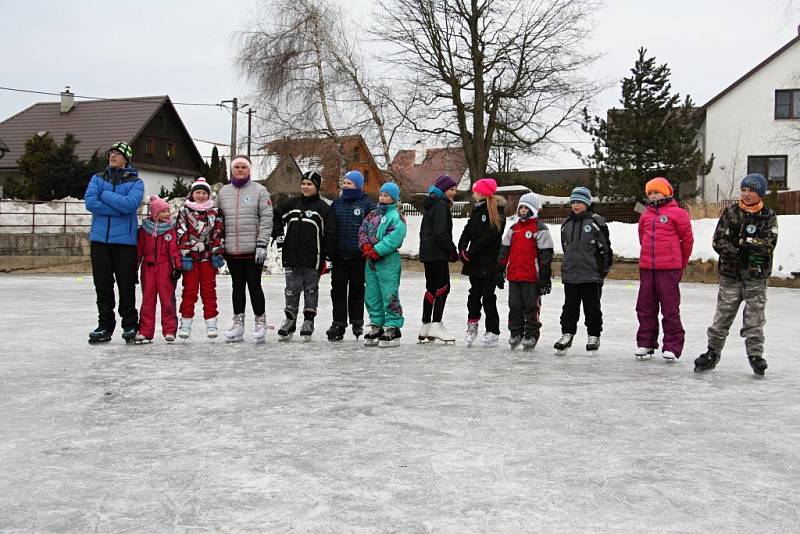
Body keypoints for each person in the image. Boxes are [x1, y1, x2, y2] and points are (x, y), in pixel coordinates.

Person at [695, 173, 778, 376]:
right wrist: (740, 250)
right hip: (730, 276)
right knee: (722, 318)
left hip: (755, 277)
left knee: (754, 320)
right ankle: (712, 352)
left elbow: (767, 245)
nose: (747, 194)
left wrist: (742, 243)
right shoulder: (730, 212)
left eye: (751, 191)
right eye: (744, 190)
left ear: (760, 193)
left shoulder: (768, 216)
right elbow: (718, 241)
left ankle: (755, 356)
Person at [84, 141, 145, 344]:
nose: (112, 156)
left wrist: (107, 195)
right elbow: (90, 202)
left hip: (125, 242)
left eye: (117, 154)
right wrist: (118, 207)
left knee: (126, 284)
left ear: (126, 158)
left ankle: (129, 325)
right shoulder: (97, 178)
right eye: (111, 153)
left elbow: (131, 205)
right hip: (100, 241)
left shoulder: (136, 181)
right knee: (102, 285)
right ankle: (105, 326)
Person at [272, 170, 335, 341]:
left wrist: (328, 257)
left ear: (317, 187)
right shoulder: (292, 204)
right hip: (291, 256)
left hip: (313, 259)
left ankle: (308, 321)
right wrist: (278, 236)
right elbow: (276, 216)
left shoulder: (323, 209)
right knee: (291, 290)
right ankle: (290, 320)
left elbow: (330, 234)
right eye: (303, 184)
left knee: (310, 290)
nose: (305, 187)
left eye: (309, 184)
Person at [635, 177, 694, 361]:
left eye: (656, 192)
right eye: (650, 193)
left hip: (669, 268)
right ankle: (646, 342)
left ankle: (672, 345)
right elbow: (642, 236)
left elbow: (687, 241)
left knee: (670, 308)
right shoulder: (645, 214)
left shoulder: (678, 213)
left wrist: (680, 263)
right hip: (647, 268)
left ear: (667, 192)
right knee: (645, 307)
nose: (652, 196)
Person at [217, 155, 273, 343]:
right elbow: (218, 221)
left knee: (254, 286)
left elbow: (266, 219)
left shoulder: (260, 191)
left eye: (243, 167)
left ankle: (260, 321)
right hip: (232, 250)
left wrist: (262, 243)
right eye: (237, 167)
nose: (240, 170)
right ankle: (238, 323)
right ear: (232, 170)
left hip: (253, 250)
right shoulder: (224, 192)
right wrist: (219, 244)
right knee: (237, 287)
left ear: (249, 170)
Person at [554, 186, 613, 354]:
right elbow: (566, 248)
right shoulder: (566, 224)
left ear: (587, 203)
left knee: (592, 307)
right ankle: (567, 334)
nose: (575, 205)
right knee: (569, 308)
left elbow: (605, 249)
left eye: (579, 202)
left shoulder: (596, 222)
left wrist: (602, 270)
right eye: (573, 202)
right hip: (571, 274)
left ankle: (593, 335)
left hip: (591, 275)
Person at [498, 192, 554, 350]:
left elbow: (546, 255)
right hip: (514, 276)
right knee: (514, 305)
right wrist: (499, 269)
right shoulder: (513, 229)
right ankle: (515, 332)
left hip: (532, 277)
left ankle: (531, 334)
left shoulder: (540, 229)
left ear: (533, 209)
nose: (522, 210)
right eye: (521, 207)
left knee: (531, 306)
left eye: (526, 207)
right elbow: (504, 251)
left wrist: (544, 277)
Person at [326, 170, 375, 341]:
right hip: (339, 256)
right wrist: (330, 251)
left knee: (357, 289)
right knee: (338, 291)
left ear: (358, 186)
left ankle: (357, 321)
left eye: (349, 184)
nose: (345, 186)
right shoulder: (336, 204)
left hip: (358, 257)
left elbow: (372, 229)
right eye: (344, 183)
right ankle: (338, 323)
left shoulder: (367, 205)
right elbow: (330, 229)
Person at [458, 178, 506, 347]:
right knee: (474, 295)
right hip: (475, 263)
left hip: (489, 263)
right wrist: (462, 248)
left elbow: (489, 237)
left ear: (484, 193)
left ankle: (492, 330)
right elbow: (468, 231)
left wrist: (471, 252)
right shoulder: (476, 211)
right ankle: (472, 325)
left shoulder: (497, 212)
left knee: (488, 297)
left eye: (476, 191)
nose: (474, 194)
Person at [358, 182, 407, 348]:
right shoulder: (372, 214)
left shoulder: (396, 216)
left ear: (393, 197)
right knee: (372, 293)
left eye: (386, 195)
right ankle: (376, 324)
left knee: (389, 293)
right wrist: (365, 245)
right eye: (381, 195)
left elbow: (395, 236)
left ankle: (393, 326)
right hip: (371, 261)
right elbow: (362, 230)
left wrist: (378, 249)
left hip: (387, 261)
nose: (382, 198)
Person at [176, 177, 225, 339]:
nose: (201, 195)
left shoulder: (214, 212)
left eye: (204, 193)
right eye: (198, 192)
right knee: (189, 290)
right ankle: (186, 323)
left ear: (208, 195)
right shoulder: (185, 211)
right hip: (190, 257)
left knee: (208, 290)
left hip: (207, 258)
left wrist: (217, 252)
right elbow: (181, 233)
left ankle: (211, 323)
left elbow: (218, 233)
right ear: (192, 194)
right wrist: (185, 254)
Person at [418, 175, 459, 344]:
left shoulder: (431, 205)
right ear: (443, 189)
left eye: (455, 190)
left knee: (431, 288)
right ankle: (436, 324)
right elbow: (441, 233)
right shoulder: (441, 206)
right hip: (437, 253)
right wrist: (452, 251)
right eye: (451, 189)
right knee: (443, 287)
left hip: (428, 253)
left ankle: (425, 325)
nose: (454, 193)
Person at [135, 196, 182, 343]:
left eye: (168, 211)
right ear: (155, 213)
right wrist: (134, 269)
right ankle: (145, 331)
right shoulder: (144, 231)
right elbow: (139, 251)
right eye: (163, 211)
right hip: (148, 269)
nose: (167, 214)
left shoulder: (170, 230)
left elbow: (174, 250)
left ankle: (169, 330)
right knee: (148, 301)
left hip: (165, 268)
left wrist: (176, 267)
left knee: (167, 300)